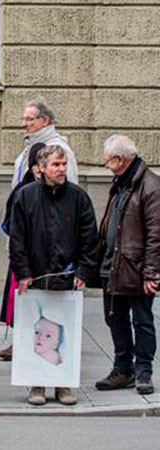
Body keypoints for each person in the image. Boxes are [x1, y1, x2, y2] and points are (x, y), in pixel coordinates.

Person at [9, 145, 98, 406]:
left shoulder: (79, 197)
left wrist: (83, 270)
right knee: (36, 331)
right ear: (41, 168)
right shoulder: (25, 196)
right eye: (55, 164)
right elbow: (17, 238)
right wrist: (23, 272)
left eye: (63, 164)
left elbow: (89, 237)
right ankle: (37, 384)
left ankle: (64, 385)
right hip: (35, 277)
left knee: (63, 330)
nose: (60, 169)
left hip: (67, 276)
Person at [94, 134, 159, 396]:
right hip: (113, 264)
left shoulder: (150, 186)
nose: (106, 164)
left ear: (120, 159)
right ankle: (122, 368)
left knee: (142, 321)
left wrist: (152, 272)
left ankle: (143, 371)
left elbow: (157, 234)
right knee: (115, 318)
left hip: (136, 267)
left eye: (108, 160)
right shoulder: (121, 182)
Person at [0, 142, 46, 361]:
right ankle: (21, 342)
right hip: (25, 255)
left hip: (49, 259)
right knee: (22, 300)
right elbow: (9, 224)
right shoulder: (22, 190)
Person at [12, 97, 79, 187]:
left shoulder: (59, 149)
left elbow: (70, 188)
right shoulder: (28, 149)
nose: (23, 124)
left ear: (45, 121)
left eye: (29, 119)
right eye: (23, 119)